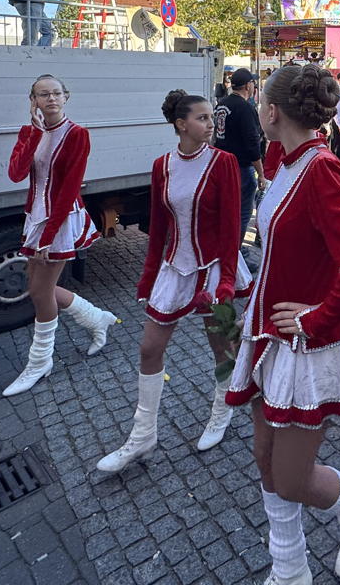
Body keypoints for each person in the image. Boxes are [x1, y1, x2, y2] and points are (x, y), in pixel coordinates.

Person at [225, 65, 340, 585]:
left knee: (292, 478)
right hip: (268, 331)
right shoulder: (288, 159)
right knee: (264, 456)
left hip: (305, 344)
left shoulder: (320, 169)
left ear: (271, 112)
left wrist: (316, 317)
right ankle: (290, 569)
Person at [97, 90, 253, 472]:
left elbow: (232, 228)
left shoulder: (224, 162)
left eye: (210, 118)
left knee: (222, 348)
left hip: (215, 269)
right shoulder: (162, 165)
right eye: (201, 118)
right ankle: (142, 435)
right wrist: (148, 277)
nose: (210, 124)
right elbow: (160, 227)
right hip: (174, 268)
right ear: (181, 124)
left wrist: (225, 283)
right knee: (150, 348)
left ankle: (222, 408)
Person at [2, 75, 114, 395]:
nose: (51, 99)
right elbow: (15, 174)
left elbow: (68, 189)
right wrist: (34, 133)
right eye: (43, 94)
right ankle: (96, 318)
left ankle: (40, 362)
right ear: (33, 100)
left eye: (56, 93)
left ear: (67, 97)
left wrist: (49, 235)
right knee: (39, 286)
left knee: (39, 292)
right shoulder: (31, 132)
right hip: (36, 216)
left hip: (60, 219)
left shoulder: (77, 134)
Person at [214, 68, 266, 245]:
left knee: (227, 211)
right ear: (247, 85)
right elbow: (252, 144)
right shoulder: (244, 107)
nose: (254, 86)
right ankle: (236, 253)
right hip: (241, 167)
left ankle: (228, 249)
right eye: (252, 82)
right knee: (242, 213)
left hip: (222, 163)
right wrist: (261, 173)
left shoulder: (222, 103)